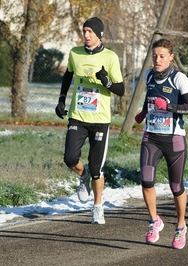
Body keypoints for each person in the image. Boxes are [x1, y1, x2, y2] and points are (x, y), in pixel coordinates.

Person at [55, 17, 125, 225]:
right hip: (78, 116)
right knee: (69, 158)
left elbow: (120, 90)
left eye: (90, 32)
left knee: (97, 168)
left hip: (100, 120)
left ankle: (97, 207)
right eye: (84, 31)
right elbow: (68, 76)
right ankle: (82, 176)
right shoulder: (75, 53)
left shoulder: (110, 57)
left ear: (99, 35)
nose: (86, 35)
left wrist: (107, 81)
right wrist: (61, 100)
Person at [134, 38, 188, 249]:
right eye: (155, 56)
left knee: (176, 187)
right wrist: (144, 111)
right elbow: (150, 96)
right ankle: (154, 221)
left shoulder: (179, 79)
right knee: (146, 179)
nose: (157, 60)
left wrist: (170, 106)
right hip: (151, 136)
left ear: (171, 57)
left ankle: (180, 226)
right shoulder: (148, 74)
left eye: (162, 56)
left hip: (174, 139)